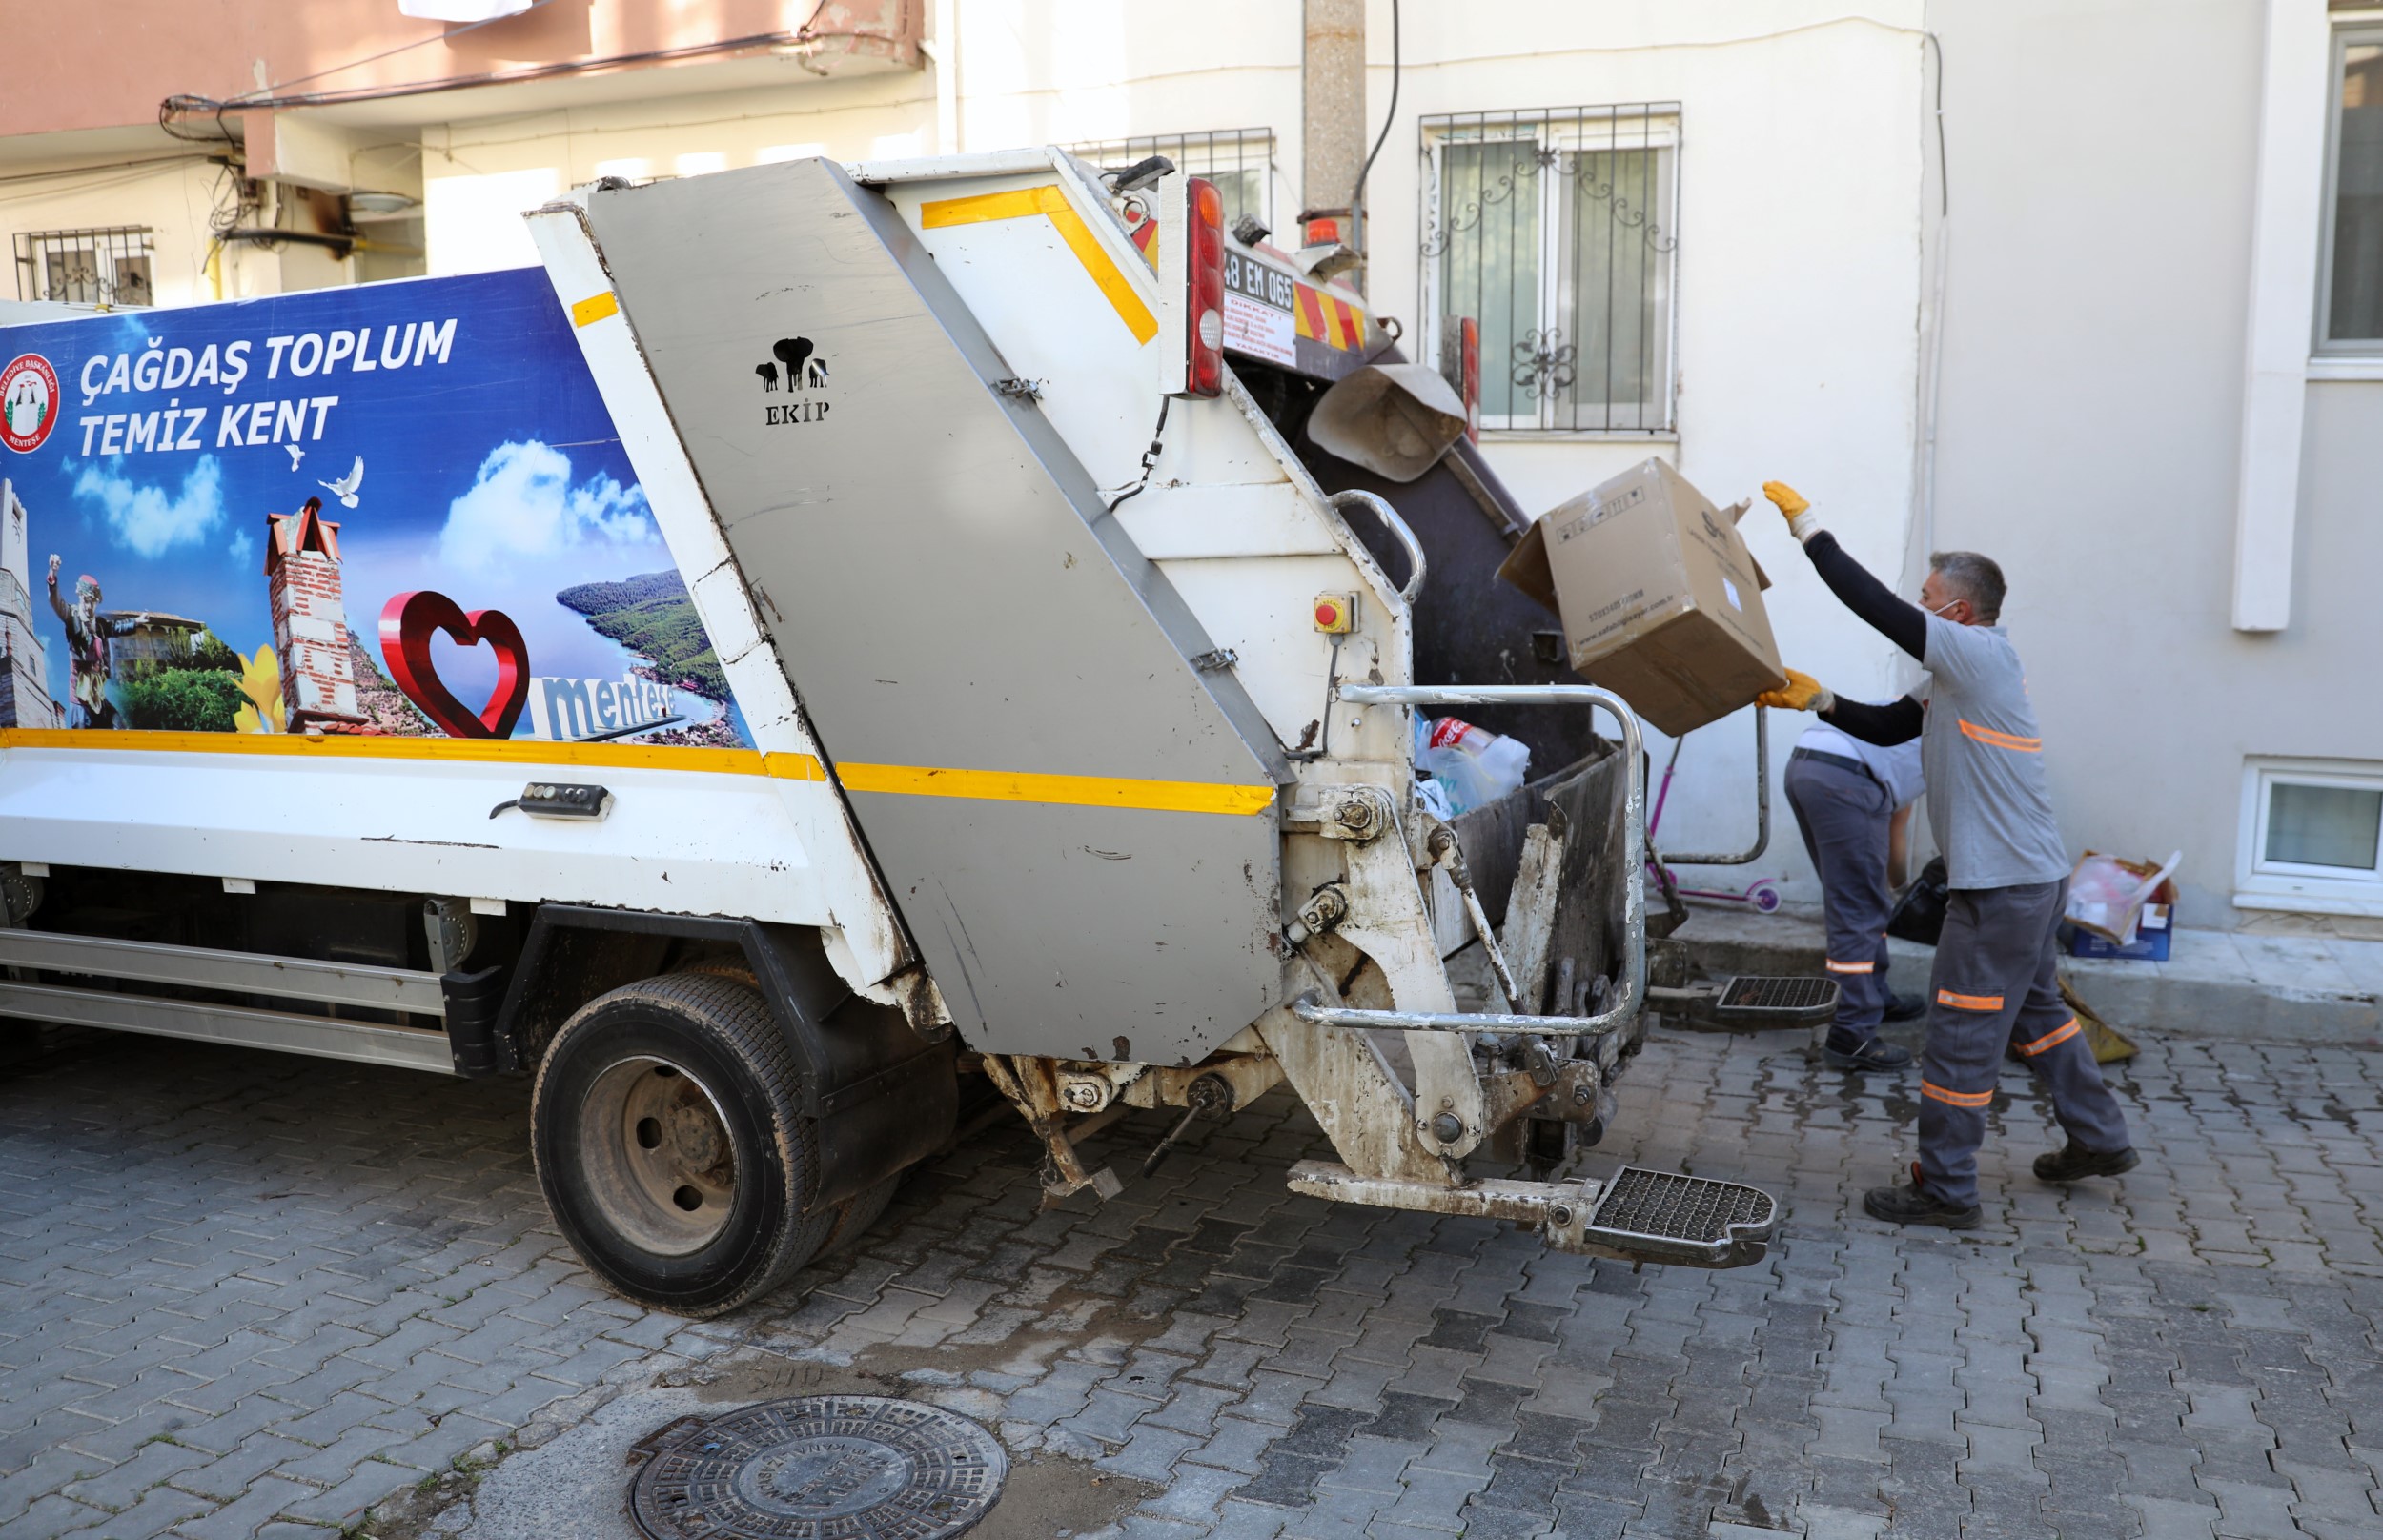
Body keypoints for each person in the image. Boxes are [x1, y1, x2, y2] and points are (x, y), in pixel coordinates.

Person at [1752, 480, 2137, 1229]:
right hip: (2029, 881)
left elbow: (1875, 607)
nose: (1919, 604)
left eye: (1929, 597)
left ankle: (1947, 1188)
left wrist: (1811, 532)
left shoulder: (1976, 654)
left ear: (1958, 612)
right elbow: (1893, 725)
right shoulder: (1965, 675)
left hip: (2000, 891)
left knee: (1961, 1033)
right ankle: (2099, 1137)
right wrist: (1818, 700)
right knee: (2040, 1013)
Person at [1784, 714, 1925, 1070]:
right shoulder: (1964, 735)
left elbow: (1895, 823)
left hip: (1807, 763)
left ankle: (1874, 995)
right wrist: (1904, 888)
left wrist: (1896, 891)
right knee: (1858, 910)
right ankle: (1851, 1033)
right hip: (1847, 778)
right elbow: (1901, 825)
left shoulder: (1929, 704)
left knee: (1862, 901)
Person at [47, 554, 141, 729]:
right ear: (80, 596)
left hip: (97, 691)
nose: (88, 606)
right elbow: (56, 601)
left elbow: (116, 627)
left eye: (92, 602)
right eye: (85, 600)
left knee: (120, 725)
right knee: (82, 734)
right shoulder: (72, 616)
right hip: (81, 692)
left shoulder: (100, 624)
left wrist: (136, 622)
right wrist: (53, 573)